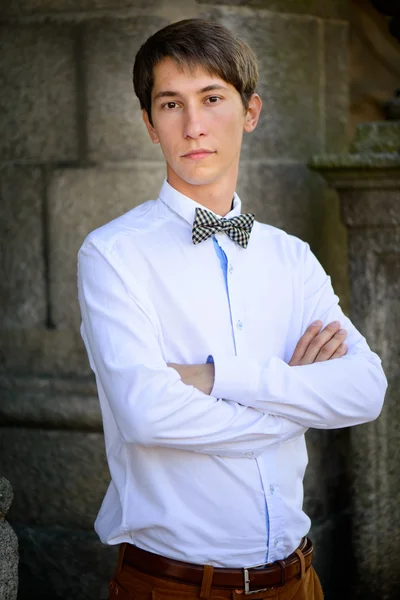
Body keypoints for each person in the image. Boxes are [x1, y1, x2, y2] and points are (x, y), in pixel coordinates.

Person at [77, 18, 387, 600]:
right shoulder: (113, 254)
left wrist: (219, 377)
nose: (193, 126)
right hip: (174, 587)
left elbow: (366, 390)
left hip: (300, 582)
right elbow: (148, 414)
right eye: (171, 104)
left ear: (250, 112)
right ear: (149, 124)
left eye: (212, 98)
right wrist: (298, 404)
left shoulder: (291, 257)